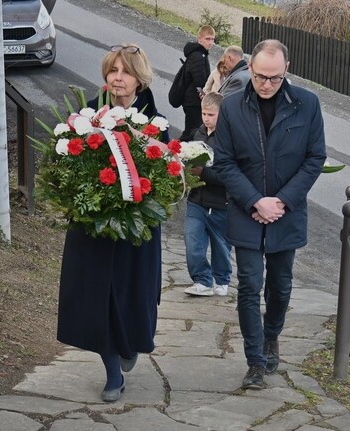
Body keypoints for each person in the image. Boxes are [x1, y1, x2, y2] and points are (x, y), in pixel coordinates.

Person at [212, 39, 326, 390]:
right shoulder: (232, 107)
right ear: (250, 68)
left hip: (285, 212)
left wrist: (281, 201)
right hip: (247, 210)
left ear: (286, 70)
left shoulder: (307, 104)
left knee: (280, 284)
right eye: (260, 76)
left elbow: (314, 158)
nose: (266, 84)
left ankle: (271, 333)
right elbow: (225, 162)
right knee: (249, 284)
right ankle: (255, 362)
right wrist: (255, 201)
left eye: (274, 78)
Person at [57, 44, 167, 403]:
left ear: (139, 77)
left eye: (125, 71)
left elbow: (165, 170)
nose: (118, 77)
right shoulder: (88, 114)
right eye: (112, 70)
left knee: (131, 294)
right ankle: (112, 374)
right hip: (94, 227)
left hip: (135, 229)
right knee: (97, 297)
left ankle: (130, 344)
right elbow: (69, 165)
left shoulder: (154, 122)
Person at [183, 92, 232, 297]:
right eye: (204, 113)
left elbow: (230, 174)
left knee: (221, 245)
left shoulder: (230, 139)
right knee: (192, 240)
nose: (206, 118)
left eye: (211, 114)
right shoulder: (198, 134)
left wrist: (204, 172)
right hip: (196, 199)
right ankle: (202, 279)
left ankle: (222, 279)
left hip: (220, 201)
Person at [176, 25, 214, 142]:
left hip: (193, 101)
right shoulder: (198, 55)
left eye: (213, 39)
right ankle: (174, 151)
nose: (211, 43)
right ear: (200, 39)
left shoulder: (200, 53)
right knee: (191, 132)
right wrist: (206, 98)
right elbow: (200, 82)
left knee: (192, 131)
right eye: (208, 39)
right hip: (193, 102)